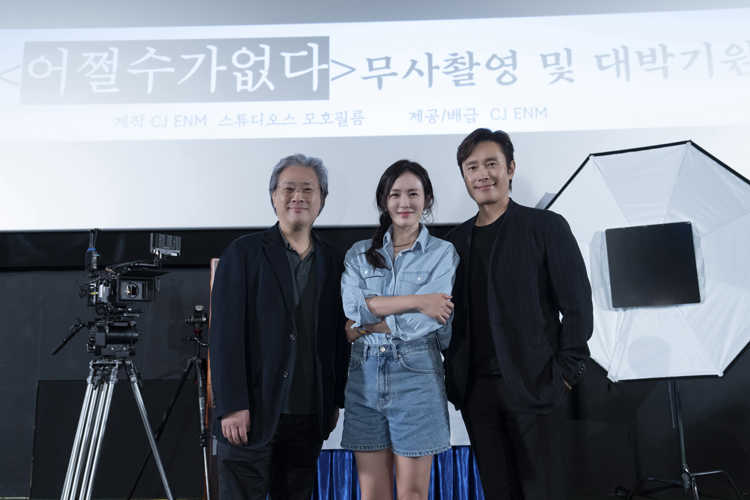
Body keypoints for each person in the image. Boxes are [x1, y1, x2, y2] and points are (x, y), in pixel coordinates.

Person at [443, 128, 594, 499]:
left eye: (491, 164)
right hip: (476, 393)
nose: (482, 174)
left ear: (510, 168)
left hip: (536, 385)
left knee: (541, 492)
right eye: (472, 167)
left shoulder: (544, 226)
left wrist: (564, 376)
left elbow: (577, 307)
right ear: (464, 176)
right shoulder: (453, 243)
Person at [209, 154, 350, 500]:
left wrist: (333, 401)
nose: (298, 197)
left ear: (322, 200)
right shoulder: (243, 253)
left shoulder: (335, 260)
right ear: (273, 196)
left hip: (308, 414)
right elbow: (224, 335)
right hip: (251, 413)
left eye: (308, 189)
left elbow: (336, 337)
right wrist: (231, 404)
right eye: (289, 188)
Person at [341, 160, 459, 500]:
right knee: (372, 494)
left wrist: (365, 323)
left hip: (416, 372)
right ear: (384, 201)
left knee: (412, 495)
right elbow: (351, 309)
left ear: (428, 200)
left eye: (413, 194)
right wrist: (418, 300)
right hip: (362, 374)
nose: (404, 202)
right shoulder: (358, 254)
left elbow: (426, 321)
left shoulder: (442, 253)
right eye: (395, 194)